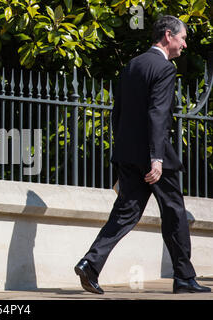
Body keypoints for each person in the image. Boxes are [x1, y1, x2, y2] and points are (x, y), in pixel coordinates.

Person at [74, 15, 211, 295]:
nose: (184, 44)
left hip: (128, 154)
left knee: (125, 213)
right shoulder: (164, 68)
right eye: (182, 38)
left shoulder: (132, 65)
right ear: (168, 36)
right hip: (153, 158)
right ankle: (184, 277)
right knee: (174, 213)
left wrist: (123, 151)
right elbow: (158, 115)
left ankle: (90, 262)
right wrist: (156, 158)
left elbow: (118, 114)